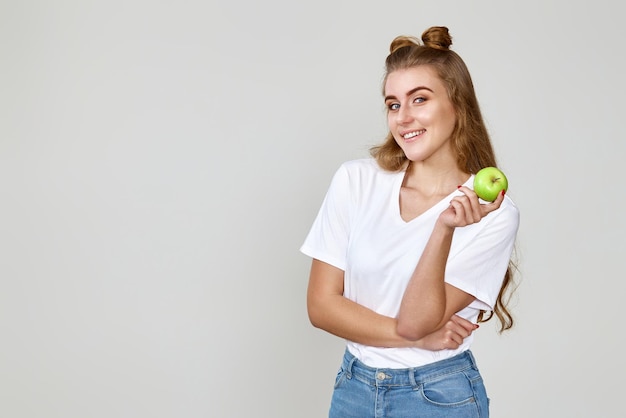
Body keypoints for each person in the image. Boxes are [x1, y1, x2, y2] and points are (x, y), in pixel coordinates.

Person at [300, 26, 520, 418]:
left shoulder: (493, 213)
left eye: (419, 99)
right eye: (393, 104)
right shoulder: (356, 180)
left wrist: (444, 229)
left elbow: (417, 320)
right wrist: (410, 335)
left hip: (438, 395)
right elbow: (321, 306)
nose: (404, 118)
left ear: (458, 104)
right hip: (354, 387)